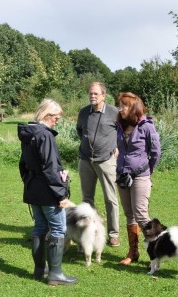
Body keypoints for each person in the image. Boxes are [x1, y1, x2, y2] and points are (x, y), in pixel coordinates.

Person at [18, 98, 77, 286]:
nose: (57, 122)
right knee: (58, 228)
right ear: (47, 115)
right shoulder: (45, 135)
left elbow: (23, 165)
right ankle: (55, 274)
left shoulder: (29, 133)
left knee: (39, 228)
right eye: (56, 118)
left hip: (33, 188)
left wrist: (29, 182)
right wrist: (61, 193)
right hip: (47, 190)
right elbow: (50, 169)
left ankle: (39, 270)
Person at [116, 92, 161, 265]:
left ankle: (157, 252)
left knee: (141, 215)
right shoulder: (119, 125)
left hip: (141, 176)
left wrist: (148, 171)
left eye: (124, 105)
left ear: (133, 107)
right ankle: (133, 252)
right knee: (129, 214)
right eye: (120, 105)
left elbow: (156, 152)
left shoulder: (146, 126)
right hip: (122, 176)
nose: (121, 109)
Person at [76, 82, 120, 247]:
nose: (92, 96)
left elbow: (122, 132)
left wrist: (117, 147)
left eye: (96, 93)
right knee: (87, 200)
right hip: (85, 160)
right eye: (90, 93)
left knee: (110, 199)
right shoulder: (83, 113)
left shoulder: (113, 112)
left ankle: (113, 234)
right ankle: (90, 231)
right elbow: (80, 131)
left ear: (103, 95)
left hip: (106, 161)